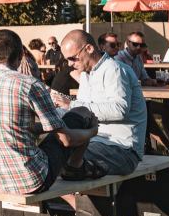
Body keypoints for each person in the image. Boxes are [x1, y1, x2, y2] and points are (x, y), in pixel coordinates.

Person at [0, 29, 101, 196]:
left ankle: (77, 168)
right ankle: (76, 168)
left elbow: (11, 126)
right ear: (20, 55)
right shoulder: (29, 84)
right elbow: (66, 140)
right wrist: (92, 131)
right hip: (30, 180)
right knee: (80, 113)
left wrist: (41, 128)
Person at [60, 30, 147, 177]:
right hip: (96, 143)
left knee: (60, 159)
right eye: (67, 60)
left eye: (73, 58)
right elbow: (83, 113)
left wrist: (71, 106)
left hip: (122, 149)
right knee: (49, 151)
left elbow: (119, 110)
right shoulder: (87, 73)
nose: (70, 64)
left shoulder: (115, 69)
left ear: (89, 48)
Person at [118, 31, 169, 156]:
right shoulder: (119, 58)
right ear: (127, 43)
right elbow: (124, 83)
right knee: (145, 111)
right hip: (126, 101)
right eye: (135, 44)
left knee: (165, 108)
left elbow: (144, 78)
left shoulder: (138, 58)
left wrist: (154, 81)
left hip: (138, 98)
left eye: (141, 45)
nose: (138, 48)